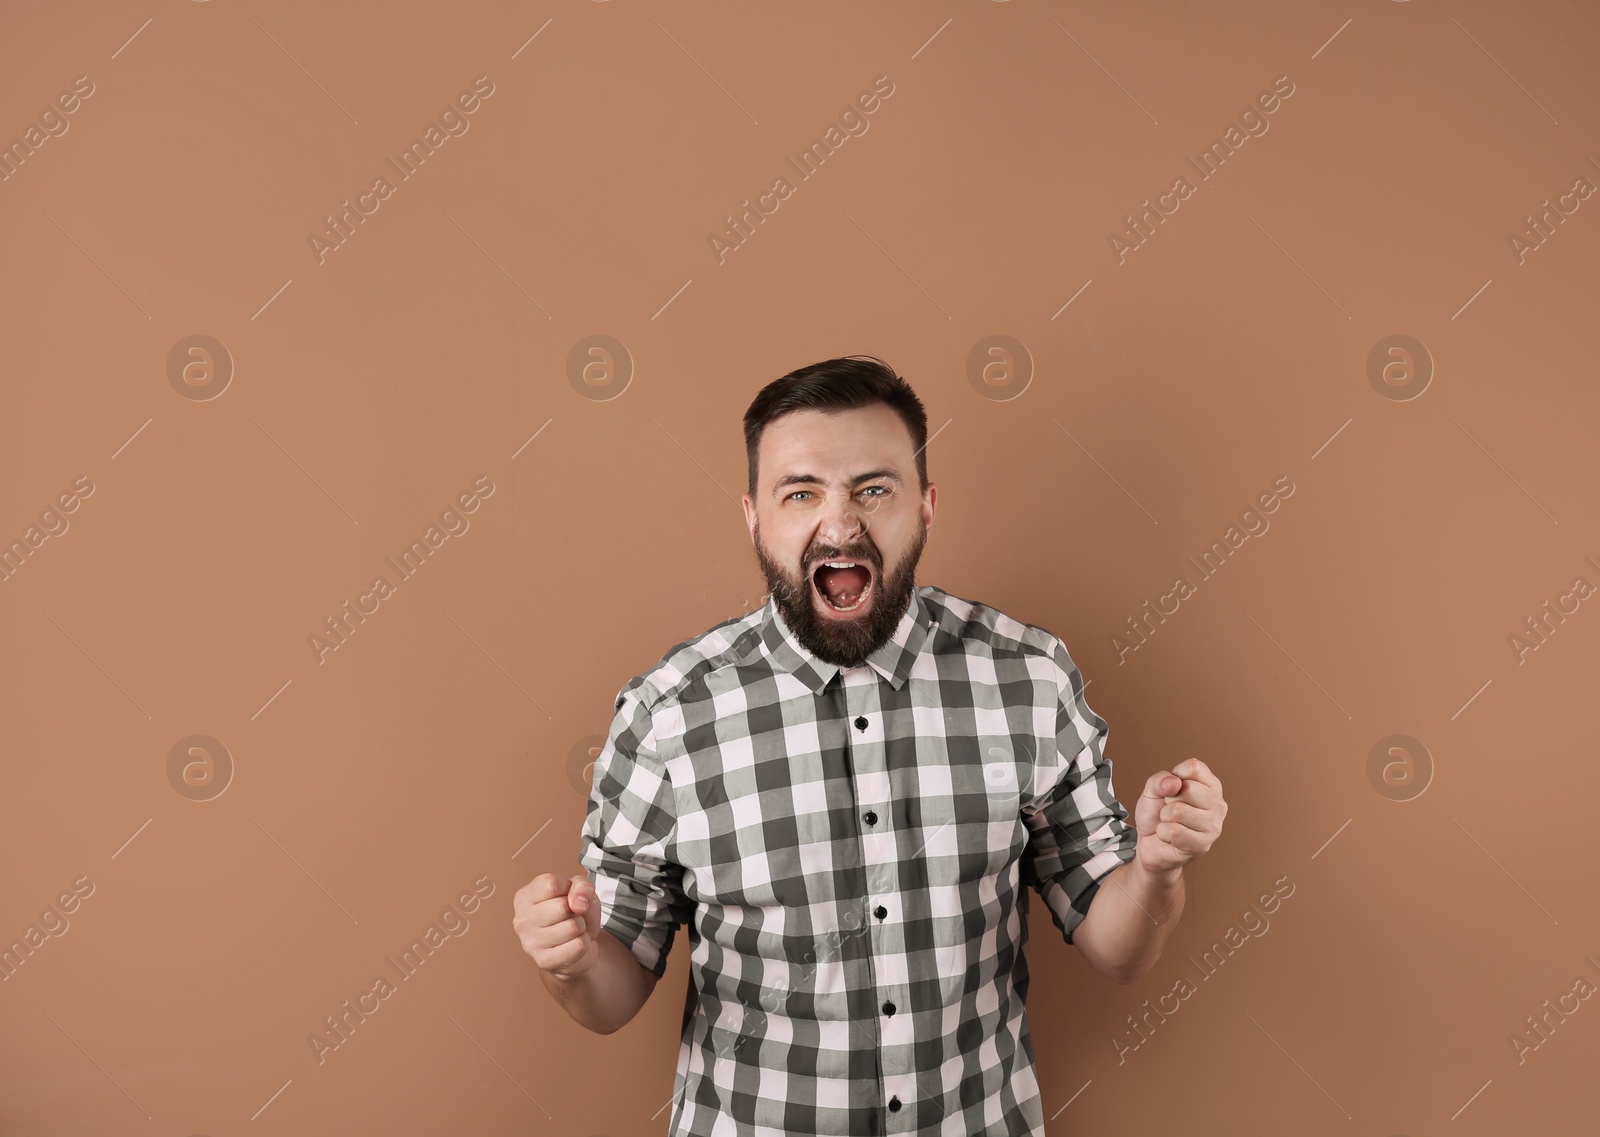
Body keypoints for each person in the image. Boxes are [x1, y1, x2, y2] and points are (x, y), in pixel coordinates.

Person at [513, 355, 1228, 1135]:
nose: (841, 522)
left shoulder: (1027, 677)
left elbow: (1119, 947)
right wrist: (575, 960)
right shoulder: (670, 713)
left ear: (924, 507)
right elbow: (610, 997)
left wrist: (1157, 871)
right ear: (755, 516)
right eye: (802, 492)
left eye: (873, 488)